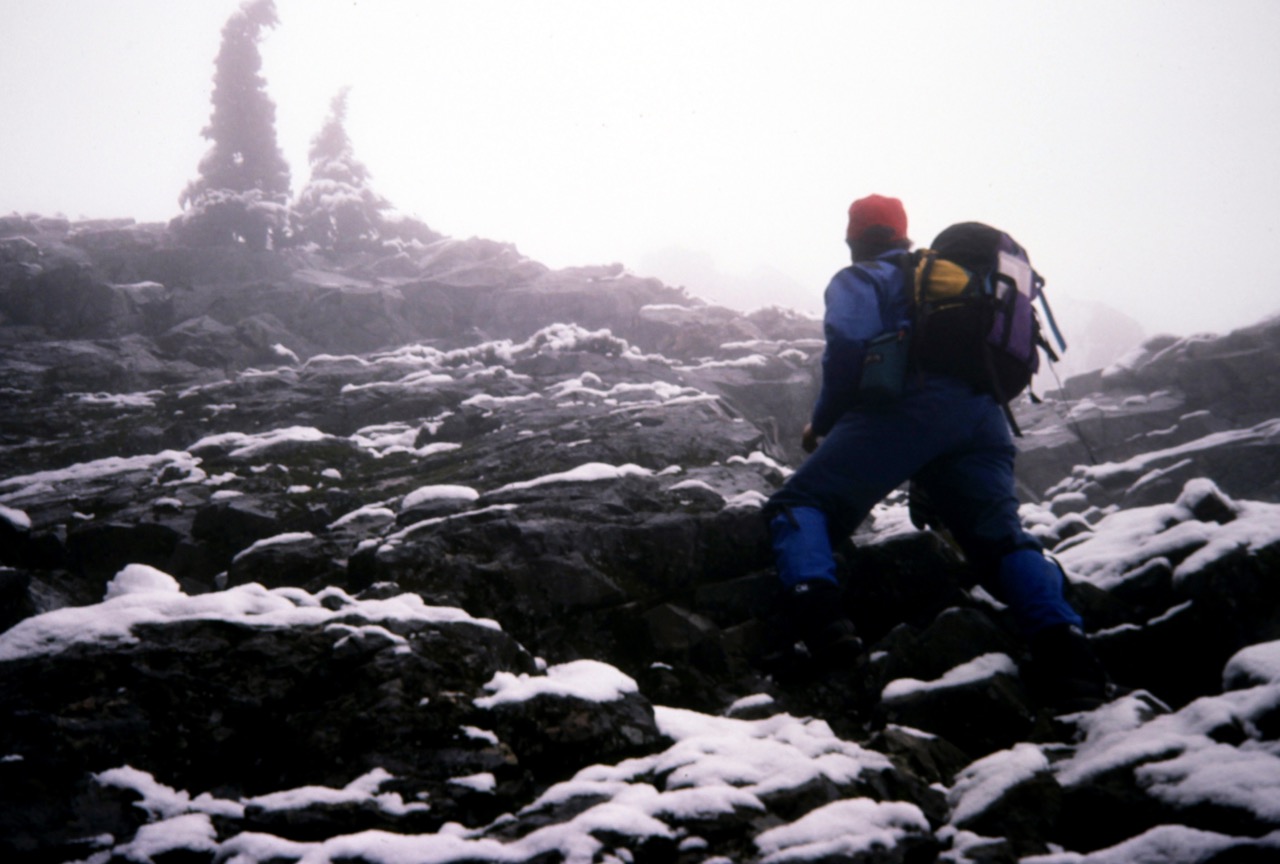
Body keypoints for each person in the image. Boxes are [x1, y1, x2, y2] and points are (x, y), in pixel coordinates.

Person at [763, 193, 1108, 710]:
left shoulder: (863, 277)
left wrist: (826, 420)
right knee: (999, 541)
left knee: (801, 505)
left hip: (911, 406)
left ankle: (823, 622)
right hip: (984, 416)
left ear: (853, 238)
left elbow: (849, 347)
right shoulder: (945, 280)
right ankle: (1067, 650)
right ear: (904, 233)